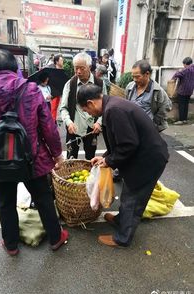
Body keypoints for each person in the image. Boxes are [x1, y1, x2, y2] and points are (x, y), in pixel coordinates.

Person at [0, 49, 69, 256]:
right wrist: (57, 153)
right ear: (15, 68)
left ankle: (11, 245)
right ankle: (55, 238)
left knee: (5, 204)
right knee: (43, 199)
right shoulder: (31, 90)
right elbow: (48, 126)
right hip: (32, 159)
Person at [77, 84, 169, 247]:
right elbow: (120, 142)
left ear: (90, 103)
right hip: (143, 155)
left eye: (86, 110)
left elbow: (128, 144)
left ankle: (123, 238)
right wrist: (104, 157)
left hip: (149, 160)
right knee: (129, 193)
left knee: (134, 197)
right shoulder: (111, 105)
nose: (89, 114)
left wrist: (109, 161)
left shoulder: (114, 110)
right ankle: (121, 220)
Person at [60, 52, 107, 160]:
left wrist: (99, 123)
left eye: (82, 68)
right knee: (71, 159)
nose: (78, 72)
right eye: (76, 68)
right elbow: (63, 108)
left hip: (92, 129)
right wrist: (68, 122)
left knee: (91, 158)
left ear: (89, 67)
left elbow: (105, 106)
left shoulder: (99, 84)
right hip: (73, 128)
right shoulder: (70, 84)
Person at [125, 60, 172, 132]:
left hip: (148, 129)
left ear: (147, 74)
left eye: (137, 77)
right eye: (133, 77)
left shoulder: (157, 90)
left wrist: (154, 124)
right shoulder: (130, 87)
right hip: (132, 127)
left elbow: (166, 106)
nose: (134, 80)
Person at [172, 57, 194, 125]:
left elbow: (176, 75)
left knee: (181, 105)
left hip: (183, 90)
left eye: (183, 64)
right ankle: (185, 119)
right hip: (190, 90)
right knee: (186, 105)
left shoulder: (185, 70)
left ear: (185, 64)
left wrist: (178, 71)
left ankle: (181, 120)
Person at [50, 54, 64, 121]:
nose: (62, 61)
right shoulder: (52, 70)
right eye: (61, 60)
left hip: (58, 92)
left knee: (56, 107)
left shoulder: (61, 70)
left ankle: (53, 120)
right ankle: (52, 122)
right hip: (53, 93)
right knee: (53, 108)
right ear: (57, 61)